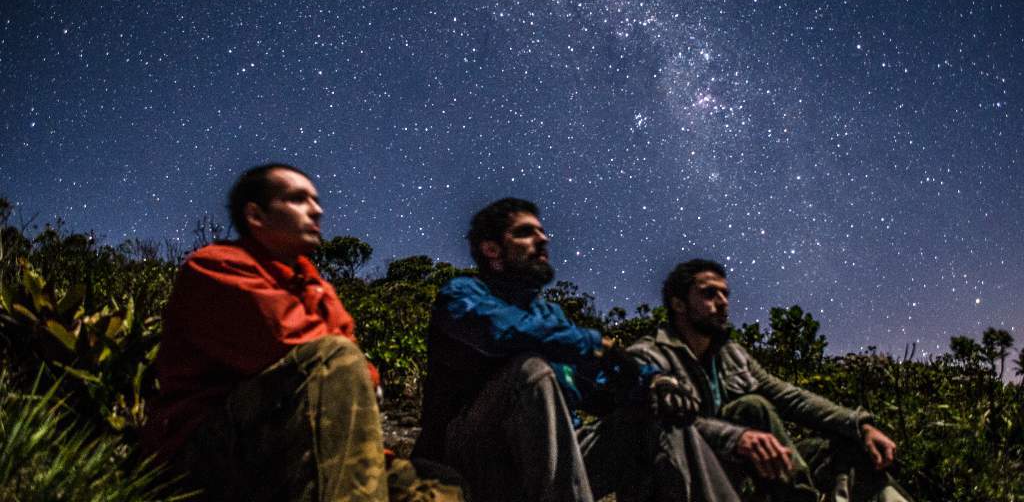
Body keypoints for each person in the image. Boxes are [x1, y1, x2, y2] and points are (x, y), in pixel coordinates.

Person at [412, 198, 738, 502]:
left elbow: (601, 381)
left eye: (541, 231)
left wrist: (655, 382)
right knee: (531, 369)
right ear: (492, 249)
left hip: (548, 464)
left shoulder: (552, 318)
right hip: (472, 462)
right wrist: (592, 344)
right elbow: (503, 332)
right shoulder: (462, 294)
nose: (543, 240)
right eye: (525, 233)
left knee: (656, 409)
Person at [143, 164, 387, 501]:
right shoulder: (216, 266)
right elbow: (291, 343)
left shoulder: (314, 284)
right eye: (298, 199)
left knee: (431, 484)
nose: (317, 210)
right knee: (336, 357)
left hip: (283, 437)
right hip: (201, 452)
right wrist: (358, 372)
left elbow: (357, 366)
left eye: (315, 200)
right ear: (256, 215)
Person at [629, 258, 913, 501]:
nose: (723, 303)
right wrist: (737, 437)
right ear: (679, 304)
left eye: (725, 294)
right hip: (687, 480)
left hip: (746, 474)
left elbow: (790, 397)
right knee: (751, 408)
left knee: (849, 449)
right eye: (709, 294)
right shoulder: (649, 356)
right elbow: (659, 426)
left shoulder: (731, 355)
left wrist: (859, 425)